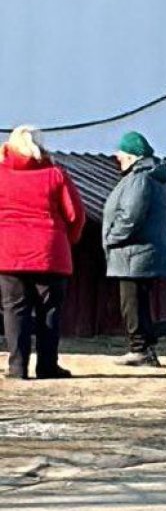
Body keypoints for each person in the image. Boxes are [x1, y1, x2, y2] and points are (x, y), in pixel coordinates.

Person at [0, 126, 86, 380]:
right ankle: (47, 366)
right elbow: (75, 215)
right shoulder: (55, 174)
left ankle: (17, 367)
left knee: (14, 310)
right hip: (49, 252)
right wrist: (66, 239)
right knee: (49, 310)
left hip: (9, 252)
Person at [102, 131, 166, 367]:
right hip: (139, 253)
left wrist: (112, 238)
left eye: (120, 153)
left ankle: (139, 349)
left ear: (132, 156)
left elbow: (131, 216)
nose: (117, 157)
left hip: (134, 254)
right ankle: (145, 348)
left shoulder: (140, 179)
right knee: (138, 301)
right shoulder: (149, 176)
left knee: (131, 302)